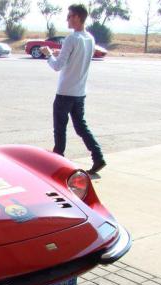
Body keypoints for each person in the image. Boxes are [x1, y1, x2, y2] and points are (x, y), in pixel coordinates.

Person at [41, 4, 105, 175]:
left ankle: (58, 161)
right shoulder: (89, 38)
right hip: (79, 92)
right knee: (81, 126)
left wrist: (48, 54)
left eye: (69, 16)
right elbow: (76, 59)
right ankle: (98, 156)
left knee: (60, 128)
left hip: (65, 91)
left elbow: (57, 66)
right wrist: (59, 52)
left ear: (77, 17)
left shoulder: (71, 39)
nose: (67, 19)